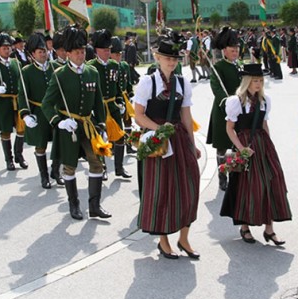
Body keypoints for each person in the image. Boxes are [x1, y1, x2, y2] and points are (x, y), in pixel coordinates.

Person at [133, 31, 201, 260]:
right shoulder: (148, 82)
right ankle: (163, 241)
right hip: (158, 142)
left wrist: (192, 146)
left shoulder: (182, 83)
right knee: (162, 190)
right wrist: (158, 131)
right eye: (167, 58)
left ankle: (184, 238)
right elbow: (138, 116)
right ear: (157, 58)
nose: (171, 62)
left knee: (189, 187)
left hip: (179, 139)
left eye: (174, 59)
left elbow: (186, 117)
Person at [41, 25, 111, 220]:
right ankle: (74, 205)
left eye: (83, 52)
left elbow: (98, 102)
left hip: (89, 126)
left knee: (96, 164)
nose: (81, 55)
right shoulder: (60, 75)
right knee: (69, 167)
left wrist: (103, 126)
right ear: (68, 53)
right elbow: (47, 104)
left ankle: (95, 206)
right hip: (68, 127)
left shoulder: (92, 73)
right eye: (77, 52)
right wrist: (58, 122)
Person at [220, 63, 292, 244]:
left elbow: (264, 125)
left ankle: (269, 229)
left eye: (260, 80)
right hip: (245, 146)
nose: (258, 84)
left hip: (263, 146)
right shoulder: (235, 101)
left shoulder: (264, 101)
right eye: (254, 81)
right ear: (247, 82)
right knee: (248, 186)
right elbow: (229, 129)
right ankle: (245, 227)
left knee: (272, 182)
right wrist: (241, 148)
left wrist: (269, 145)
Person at [18, 32, 63, 189]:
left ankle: (56, 172)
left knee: (60, 143)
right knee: (41, 145)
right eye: (40, 52)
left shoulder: (56, 68)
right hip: (38, 112)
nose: (43, 54)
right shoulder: (27, 71)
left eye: (45, 51)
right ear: (32, 54)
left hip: (55, 111)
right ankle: (44, 176)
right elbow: (23, 95)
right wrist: (25, 115)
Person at [87, 29, 131, 180]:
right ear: (97, 50)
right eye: (105, 50)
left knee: (120, 137)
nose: (108, 52)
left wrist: (120, 101)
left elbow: (118, 86)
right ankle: (102, 168)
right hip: (97, 108)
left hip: (112, 106)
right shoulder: (90, 67)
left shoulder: (114, 65)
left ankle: (119, 168)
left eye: (109, 50)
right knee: (100, 138)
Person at [0, 33, 28, 171]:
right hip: (3, 102)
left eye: (8, 48)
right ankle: (9, 160)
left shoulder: (16, 62)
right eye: (4, 48)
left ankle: (19, 155)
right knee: (6, 131)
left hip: (17, 100)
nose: (7, 50)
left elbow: (21, 80)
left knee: (21, 129)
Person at [206, 26, 243, 191]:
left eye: (237, 49)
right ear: (224, 50)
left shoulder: (239, 66)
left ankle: (236, 175)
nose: (235, 51)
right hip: (223, 110)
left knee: (237, 144)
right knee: (222, 147)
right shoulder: (218, 67)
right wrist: (227, 103)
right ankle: (223, 178)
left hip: (240, 111)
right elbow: (216, 88)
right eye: (232, 49)